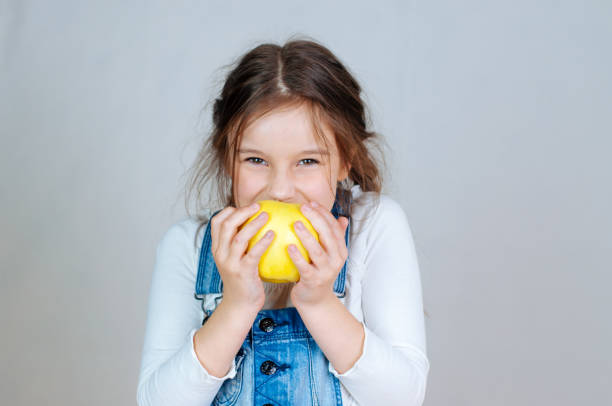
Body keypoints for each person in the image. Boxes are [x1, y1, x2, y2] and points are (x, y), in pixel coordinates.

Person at [137, 37, 429, 406]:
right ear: (228, 159)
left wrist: (320, 302)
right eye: (255, 160)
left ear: (345, 160)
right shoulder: (189, 246)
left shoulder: (376, 227)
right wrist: (237, 304)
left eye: (308, 161)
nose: (280, 190)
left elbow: (403, 397)